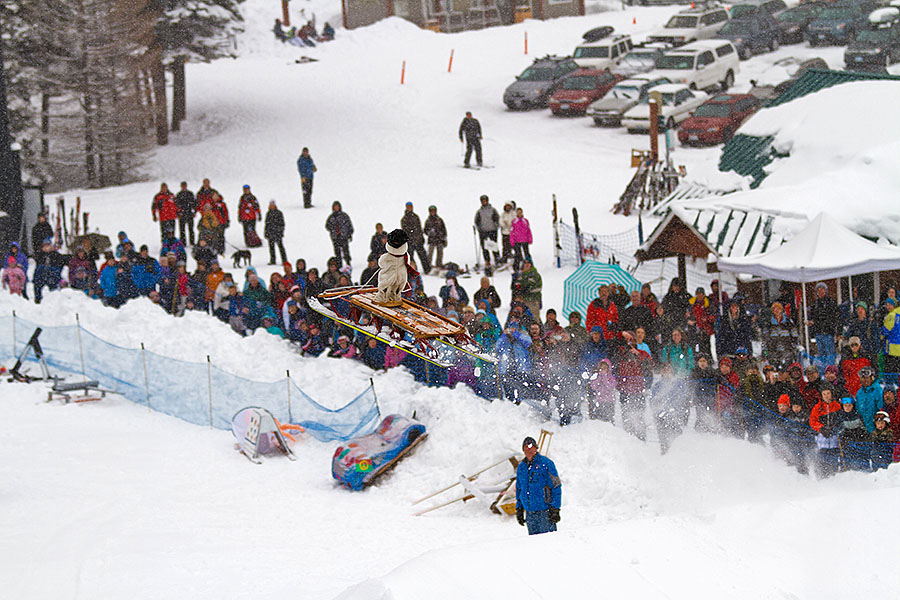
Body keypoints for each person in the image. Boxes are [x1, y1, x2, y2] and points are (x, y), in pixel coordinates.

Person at [515, 436, 561, 536]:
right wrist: (519, 509)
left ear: (536, 448)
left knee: (548, 542)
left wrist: (555, 509)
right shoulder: (521, 467)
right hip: (530, 514)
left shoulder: (546, 463)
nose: (529, 449)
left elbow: (556, 486)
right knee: (534, 545)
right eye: (526, 447)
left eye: (531, 446)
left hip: (545, 512)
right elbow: (519, 489)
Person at [808, 281, 842, 367]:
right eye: (818, 290)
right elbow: (812, 317)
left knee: (830, 355)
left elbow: (837, 318)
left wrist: (838, 332)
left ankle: (830, 371)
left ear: (825, 291)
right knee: (820, 355)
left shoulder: (831, 303)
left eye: (822, 289)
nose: (820, 291)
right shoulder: (815, 304)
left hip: (829, 333)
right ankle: (822, 372)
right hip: (818, 333)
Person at [374, 229, 409, 307]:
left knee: (385, 286)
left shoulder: (386, 257)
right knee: (397, 287)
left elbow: (381, 263)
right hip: (401, 275)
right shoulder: (405, 257)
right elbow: (408, 264)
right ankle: (395, 298)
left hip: (388, 275)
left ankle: (382, 298)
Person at [763, 301, 798, 370]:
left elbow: (794, 335)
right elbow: (765, 338)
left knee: (787, 370)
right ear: (772, 311)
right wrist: (765, 352)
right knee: (774, 370)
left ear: (781, 310)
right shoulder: (768, 322)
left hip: (787, 350)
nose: (777, 310)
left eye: (778, 308)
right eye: (774, 309)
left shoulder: (788, 321)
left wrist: (794, 347)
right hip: (773, 351)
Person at [474, 195, 500, 274]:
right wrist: (479, 228)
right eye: (482, 200)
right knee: (484, 247)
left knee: (493, 245)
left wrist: (495, 226)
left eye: (485, 200)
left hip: (492, 230)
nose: (484, 201)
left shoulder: (492, 209)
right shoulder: (479, 211)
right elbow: (476, 221)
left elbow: (497, 218)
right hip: (483, 231)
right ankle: (487, 261)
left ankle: (497, 259)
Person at [401, 202, 429, 273]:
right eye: (408, 206)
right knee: (410, 257)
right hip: (410, 242)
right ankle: (413, 270)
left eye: (410, 206)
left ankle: (427, 269)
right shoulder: (404, 219)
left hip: (418, 241)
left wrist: (421, 238)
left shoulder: (416, 217)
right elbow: (405, 231)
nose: (409, 208)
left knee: (423, 256)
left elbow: (419, 228)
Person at [325, 201, 354, 268]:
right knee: (337, 252)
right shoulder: (331, 217)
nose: (336, 208)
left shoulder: (344, 216)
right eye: (335, 207)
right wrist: (333, 229)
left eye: (337, 207)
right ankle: (339, 264)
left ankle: (348, 262)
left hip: (344, 237)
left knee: (345, 250)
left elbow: (349, 225)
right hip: (335, 237)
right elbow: (327, 226)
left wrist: (349, 234)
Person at [515, 258, 542, 322]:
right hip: (523, 301)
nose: (526, 265)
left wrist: (528, 290)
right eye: (525, 263)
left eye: (528, 263)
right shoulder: (520, 275)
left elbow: (538, 287)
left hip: (533, 300)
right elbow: (517, 287)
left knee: (535, 318)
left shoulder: (535, 275)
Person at [508, 206, 533, 272]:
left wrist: (530, 238)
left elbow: (528, 230)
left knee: (527, 254)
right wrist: (512, 240)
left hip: (525, 240)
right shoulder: (514, 221)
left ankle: (530, 266)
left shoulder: (525, 221)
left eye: (520, 212)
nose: (519, 214)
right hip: (517, 240)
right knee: (518, 254)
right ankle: (516, 267)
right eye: (518, 212)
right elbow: (512, 231)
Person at [264, 200, 287, 265]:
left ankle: (284, 260)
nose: (271, 206)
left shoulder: (279, 213)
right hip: (270, 232)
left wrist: (281, 231)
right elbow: (266, 224)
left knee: (281, 247)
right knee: (271, 248)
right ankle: (273, 260)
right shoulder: (268, 213)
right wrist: (266, 232)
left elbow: (282, 223)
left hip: (277, 233)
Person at [175, 181, 196, 246]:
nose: (184, 187)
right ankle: (183, 243)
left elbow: (194, 203)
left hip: (189, 213)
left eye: (185, 186)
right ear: (181, 187)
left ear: (186, 186)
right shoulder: (178, 194)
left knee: (191, 229)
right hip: (182, 214)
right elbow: (176, 205)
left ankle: (192, 242)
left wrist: (194, 211)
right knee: (182, 229)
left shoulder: (190, 194)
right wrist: (178, 213)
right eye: (182, 186)